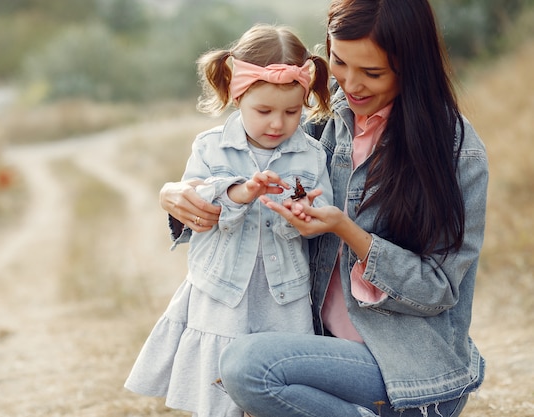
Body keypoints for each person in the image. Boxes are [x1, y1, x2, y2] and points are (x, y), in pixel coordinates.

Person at [159, 0, 489, 416]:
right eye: (339, 62)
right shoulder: (317, 119)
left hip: (406, 371)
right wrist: (174, 194)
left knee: (248, 366)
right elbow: (236, 169)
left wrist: (346, 230)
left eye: (372, 73)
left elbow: (439, 289)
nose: (351, 85)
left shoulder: (456, 153)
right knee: (237, 368)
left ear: (412, 66)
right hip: (319, 353)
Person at [124, 24, 334, 417]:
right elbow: (195, 202)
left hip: (282, 294)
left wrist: (302, 212)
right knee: (219, 393)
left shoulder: (311, 154)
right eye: (264, 111)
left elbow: (322, 210)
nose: (277, 124)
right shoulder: (209, 146)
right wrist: (240, 192)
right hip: (222, 292)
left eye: (291, 112)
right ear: (238, 97)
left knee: (276, 383)